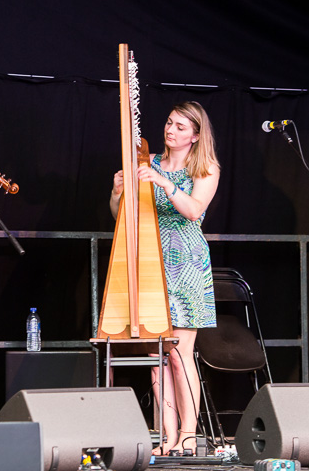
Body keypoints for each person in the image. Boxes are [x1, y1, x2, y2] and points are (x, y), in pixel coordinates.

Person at [110, 101, 220, 456]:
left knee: (180, 353)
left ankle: (189, 433)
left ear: (196, 136)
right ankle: (166, 436)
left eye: (180, 127)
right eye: (169, 123)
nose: (170, 131)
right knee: (157, 353)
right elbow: (122, 216)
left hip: (185, 263)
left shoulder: (204, 167)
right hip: (151, 264)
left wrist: (163, 182)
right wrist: (116, 193)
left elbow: (193, 210)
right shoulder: (148, 161)